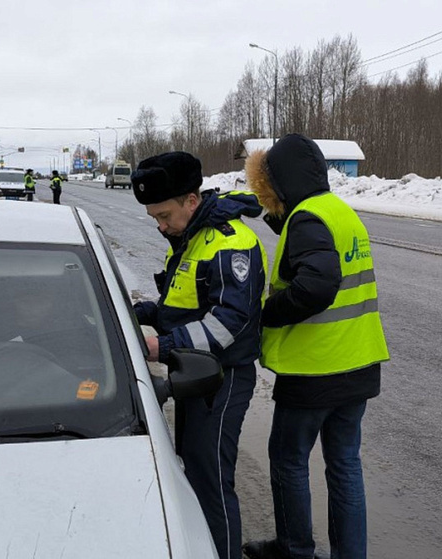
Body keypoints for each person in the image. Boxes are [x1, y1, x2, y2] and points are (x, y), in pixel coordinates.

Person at [241, 134, 389, 559]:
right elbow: (321, 252)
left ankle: (294, 549)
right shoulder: (339, 212)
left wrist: (268, 312)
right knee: (344, 467)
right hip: (358, 364)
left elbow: (317, 285)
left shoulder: (306, 220)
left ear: (279, 182)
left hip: (314, 371)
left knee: (288, 460)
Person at [130, 151, 267, 559]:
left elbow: (230, 320)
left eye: (165, 215)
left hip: (222, 380)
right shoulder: (189, 237)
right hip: (193, 375)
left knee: (211, 480)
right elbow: (178, 307)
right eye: (154, 218)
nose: (161, 225)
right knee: (191, 467)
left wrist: (160, 345)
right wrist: (126, 311)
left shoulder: (229, 242)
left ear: (192, 200)